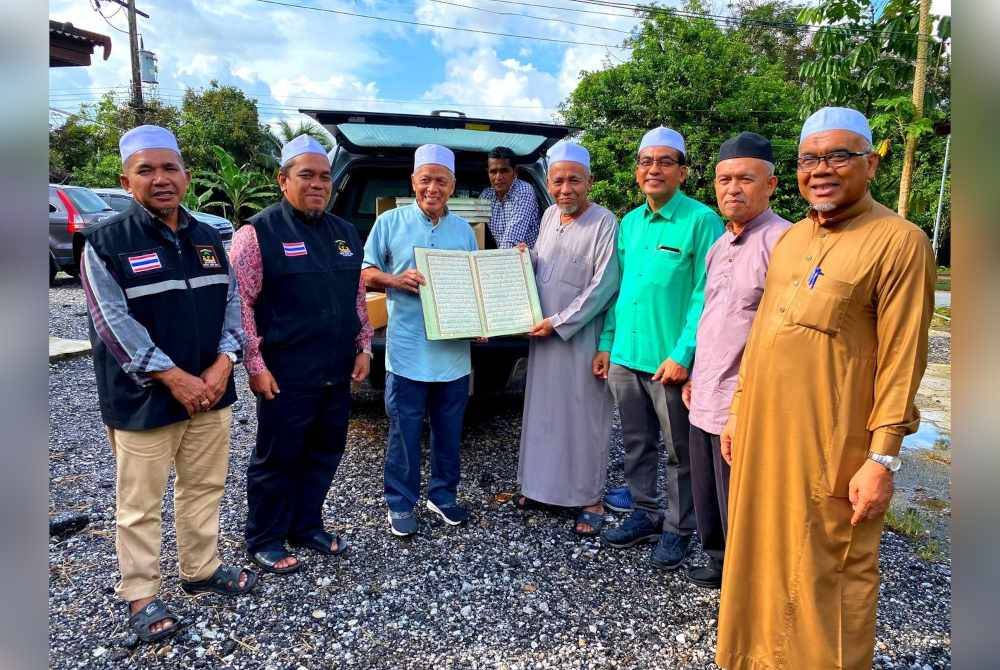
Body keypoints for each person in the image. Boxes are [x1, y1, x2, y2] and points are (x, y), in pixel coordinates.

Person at [715, 107, 935, 670]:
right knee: (758, 559)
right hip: (764, 437)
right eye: (810, 158)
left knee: (828, 575)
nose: (822, 169)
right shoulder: (791, 239)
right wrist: (739, 410)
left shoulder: (899, 241)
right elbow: (763, 334)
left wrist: (882, 459)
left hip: (833, 449)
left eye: (839, 155)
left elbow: (902, 358)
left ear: (871, 164)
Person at [80, 125, 256, 644]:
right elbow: (112, 322)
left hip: (211, 390)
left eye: (170, 168)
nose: (161, 179)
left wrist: (225, 362)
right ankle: (140, 592)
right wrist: (173, 376)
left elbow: (232, 304)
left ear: (186, 175)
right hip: (144, 398)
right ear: (126, 180)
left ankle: (200, 567)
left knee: (204, 486)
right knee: (139, 503)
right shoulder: (104, 242)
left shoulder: (209, 238)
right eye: (146, 170)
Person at [230, 135, 373, 575]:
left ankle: (307, 524)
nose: (317, 184)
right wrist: (254, 365)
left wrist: (364, 345)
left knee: (326, 450)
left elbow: (357, 296)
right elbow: (242, 305)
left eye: (324, 176)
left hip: (335, 367)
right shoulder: (257, 234)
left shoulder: (345, 233)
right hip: (285, 372)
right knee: (278, 457)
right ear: (283, 180)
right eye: (306, 175)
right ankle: (265, 536)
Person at [594, 126, 724, 570]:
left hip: (668, 364)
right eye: (646, 161)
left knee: (679, 451)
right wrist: (608, 344)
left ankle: (677, 528)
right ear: (637, 172)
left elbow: (706, 294)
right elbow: (620, 289)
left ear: (683, 172)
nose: (654, 169)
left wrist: (684, 354)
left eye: (665, 161)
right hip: (626, 359)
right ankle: (646, 512)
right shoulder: (629, 222)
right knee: (635, 443)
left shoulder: (702, 221)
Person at [679, 132, 791, 589]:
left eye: (746, 178)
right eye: (725, 179)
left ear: (772, 184)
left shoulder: (785, 243)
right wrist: (694, 369)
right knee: (707, 491)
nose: (733, 188)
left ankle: (751, 579)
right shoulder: (719, 245)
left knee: (744, 495)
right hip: (705, 389)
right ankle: (718, 558)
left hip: (744, 401)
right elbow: (710, 313)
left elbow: (780, 334)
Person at [362, 144, 478, 538]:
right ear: (413, 182)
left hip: (453, 353)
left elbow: (474, 284)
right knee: (405, 429)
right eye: (425, 179)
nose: (433, 187)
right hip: (408, 348)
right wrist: (395, 280)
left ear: (453, 186)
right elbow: (363, 273)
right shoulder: (390, 223)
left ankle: (443, 496)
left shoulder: (463, 230)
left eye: (441, 181)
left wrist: (481, 317)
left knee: (449, 429)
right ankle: (400, 501)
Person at [514, 141, 620, 536]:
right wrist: (523, 259)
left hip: (578, 338)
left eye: (574, 180)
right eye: (557, 180)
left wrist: (558, 322)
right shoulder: (547, 217)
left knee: (584, 418)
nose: (565, 189)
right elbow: (543, 268)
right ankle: (539, 487)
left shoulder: (605, 222)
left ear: (589, 181)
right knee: (542, 415)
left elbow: (604, 285)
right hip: (542, 336)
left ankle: (588, 496)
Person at [479, 146, 541, 248]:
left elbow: (512, 240)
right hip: (505, 257)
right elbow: (475, 227)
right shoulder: (486, 196)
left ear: (515, 172)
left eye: (504, 171)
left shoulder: (524, 191)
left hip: (528, 259)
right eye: (493, 172)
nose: (498, 177)